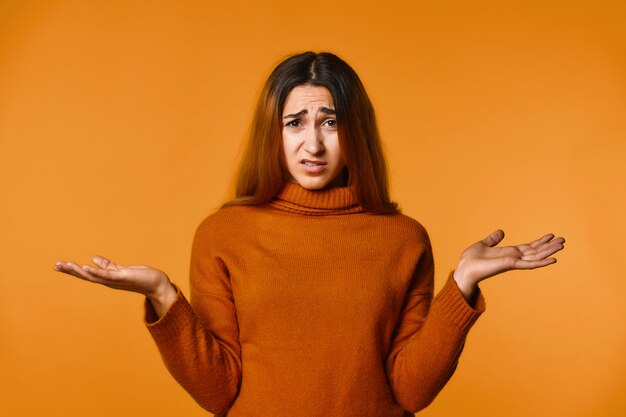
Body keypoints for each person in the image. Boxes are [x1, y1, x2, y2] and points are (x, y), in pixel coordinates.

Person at [54, 51, 565, 417]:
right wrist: (163, 296)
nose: (312, 143)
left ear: (354, 131)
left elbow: (410, 391)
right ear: (273, 133)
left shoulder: (403, 238)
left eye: (330, 121)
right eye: (294, 123)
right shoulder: (224, 234)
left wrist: (462, 286)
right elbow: (219, 393)